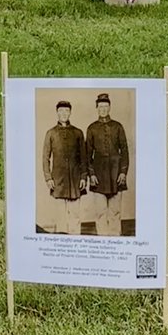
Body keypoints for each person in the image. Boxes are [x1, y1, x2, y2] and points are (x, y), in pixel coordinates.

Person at [84, 93, 130, 236]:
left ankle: (116, 237)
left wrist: (123, 172)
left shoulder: (118, 127)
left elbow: (125, 150)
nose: (103, 109)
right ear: (97, 108)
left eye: (105, 106)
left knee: (115, 210)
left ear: (109, 107)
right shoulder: (91, 128)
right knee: (100, 211)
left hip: (116, 173)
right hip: (98, 174)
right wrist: (91, 174)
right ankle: (103, 239)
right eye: (100, 107)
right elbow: (87, 154)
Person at [40, 100, 87, 234]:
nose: (64, 114)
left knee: (75, 216)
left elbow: (83, 157)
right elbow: (45, 158)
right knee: (60, 216)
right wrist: (48, 178)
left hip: (75, 180)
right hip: (58, 181)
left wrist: (83, 177)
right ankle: (61, 244)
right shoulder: (51, 133)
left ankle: (75, 242)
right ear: (57, 113)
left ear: (70, 112)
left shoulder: (78, 133)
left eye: (66, 111)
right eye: (61, 111)